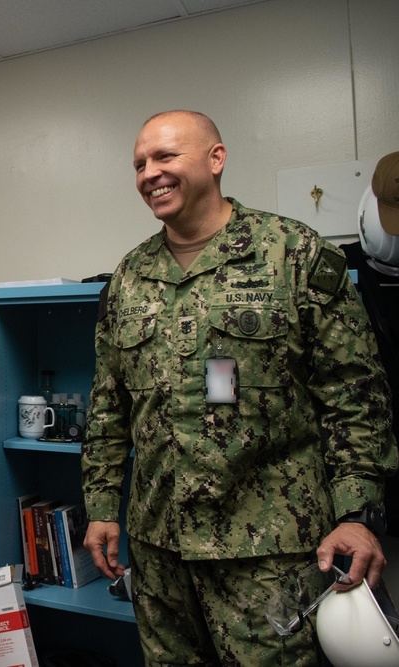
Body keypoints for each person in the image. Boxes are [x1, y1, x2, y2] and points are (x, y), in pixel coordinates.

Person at [81, 110, 397, 665]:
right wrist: (103, 507)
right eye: (139, 164)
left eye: (165, 157)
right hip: (159, 549)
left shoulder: (293, 254)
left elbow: (355, 398)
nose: (149, 173)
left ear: (216, 159)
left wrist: (357, 515)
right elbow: (108, 407)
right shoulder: (128, 278)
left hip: (269, 552)